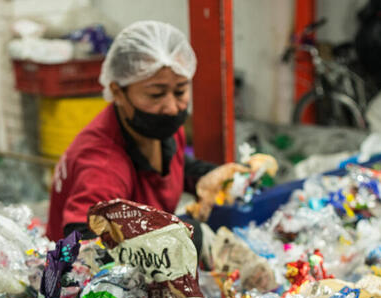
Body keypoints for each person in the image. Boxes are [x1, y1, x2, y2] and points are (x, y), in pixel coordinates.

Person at [45, 20, 246, 244]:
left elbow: (173, 167)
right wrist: (181, 240)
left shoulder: (154, 128)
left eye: (180, 91)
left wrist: (214, 178)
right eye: (155, 95)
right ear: (118, 92)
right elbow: (82, 245)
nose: (171, 107)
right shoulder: (103, 165)